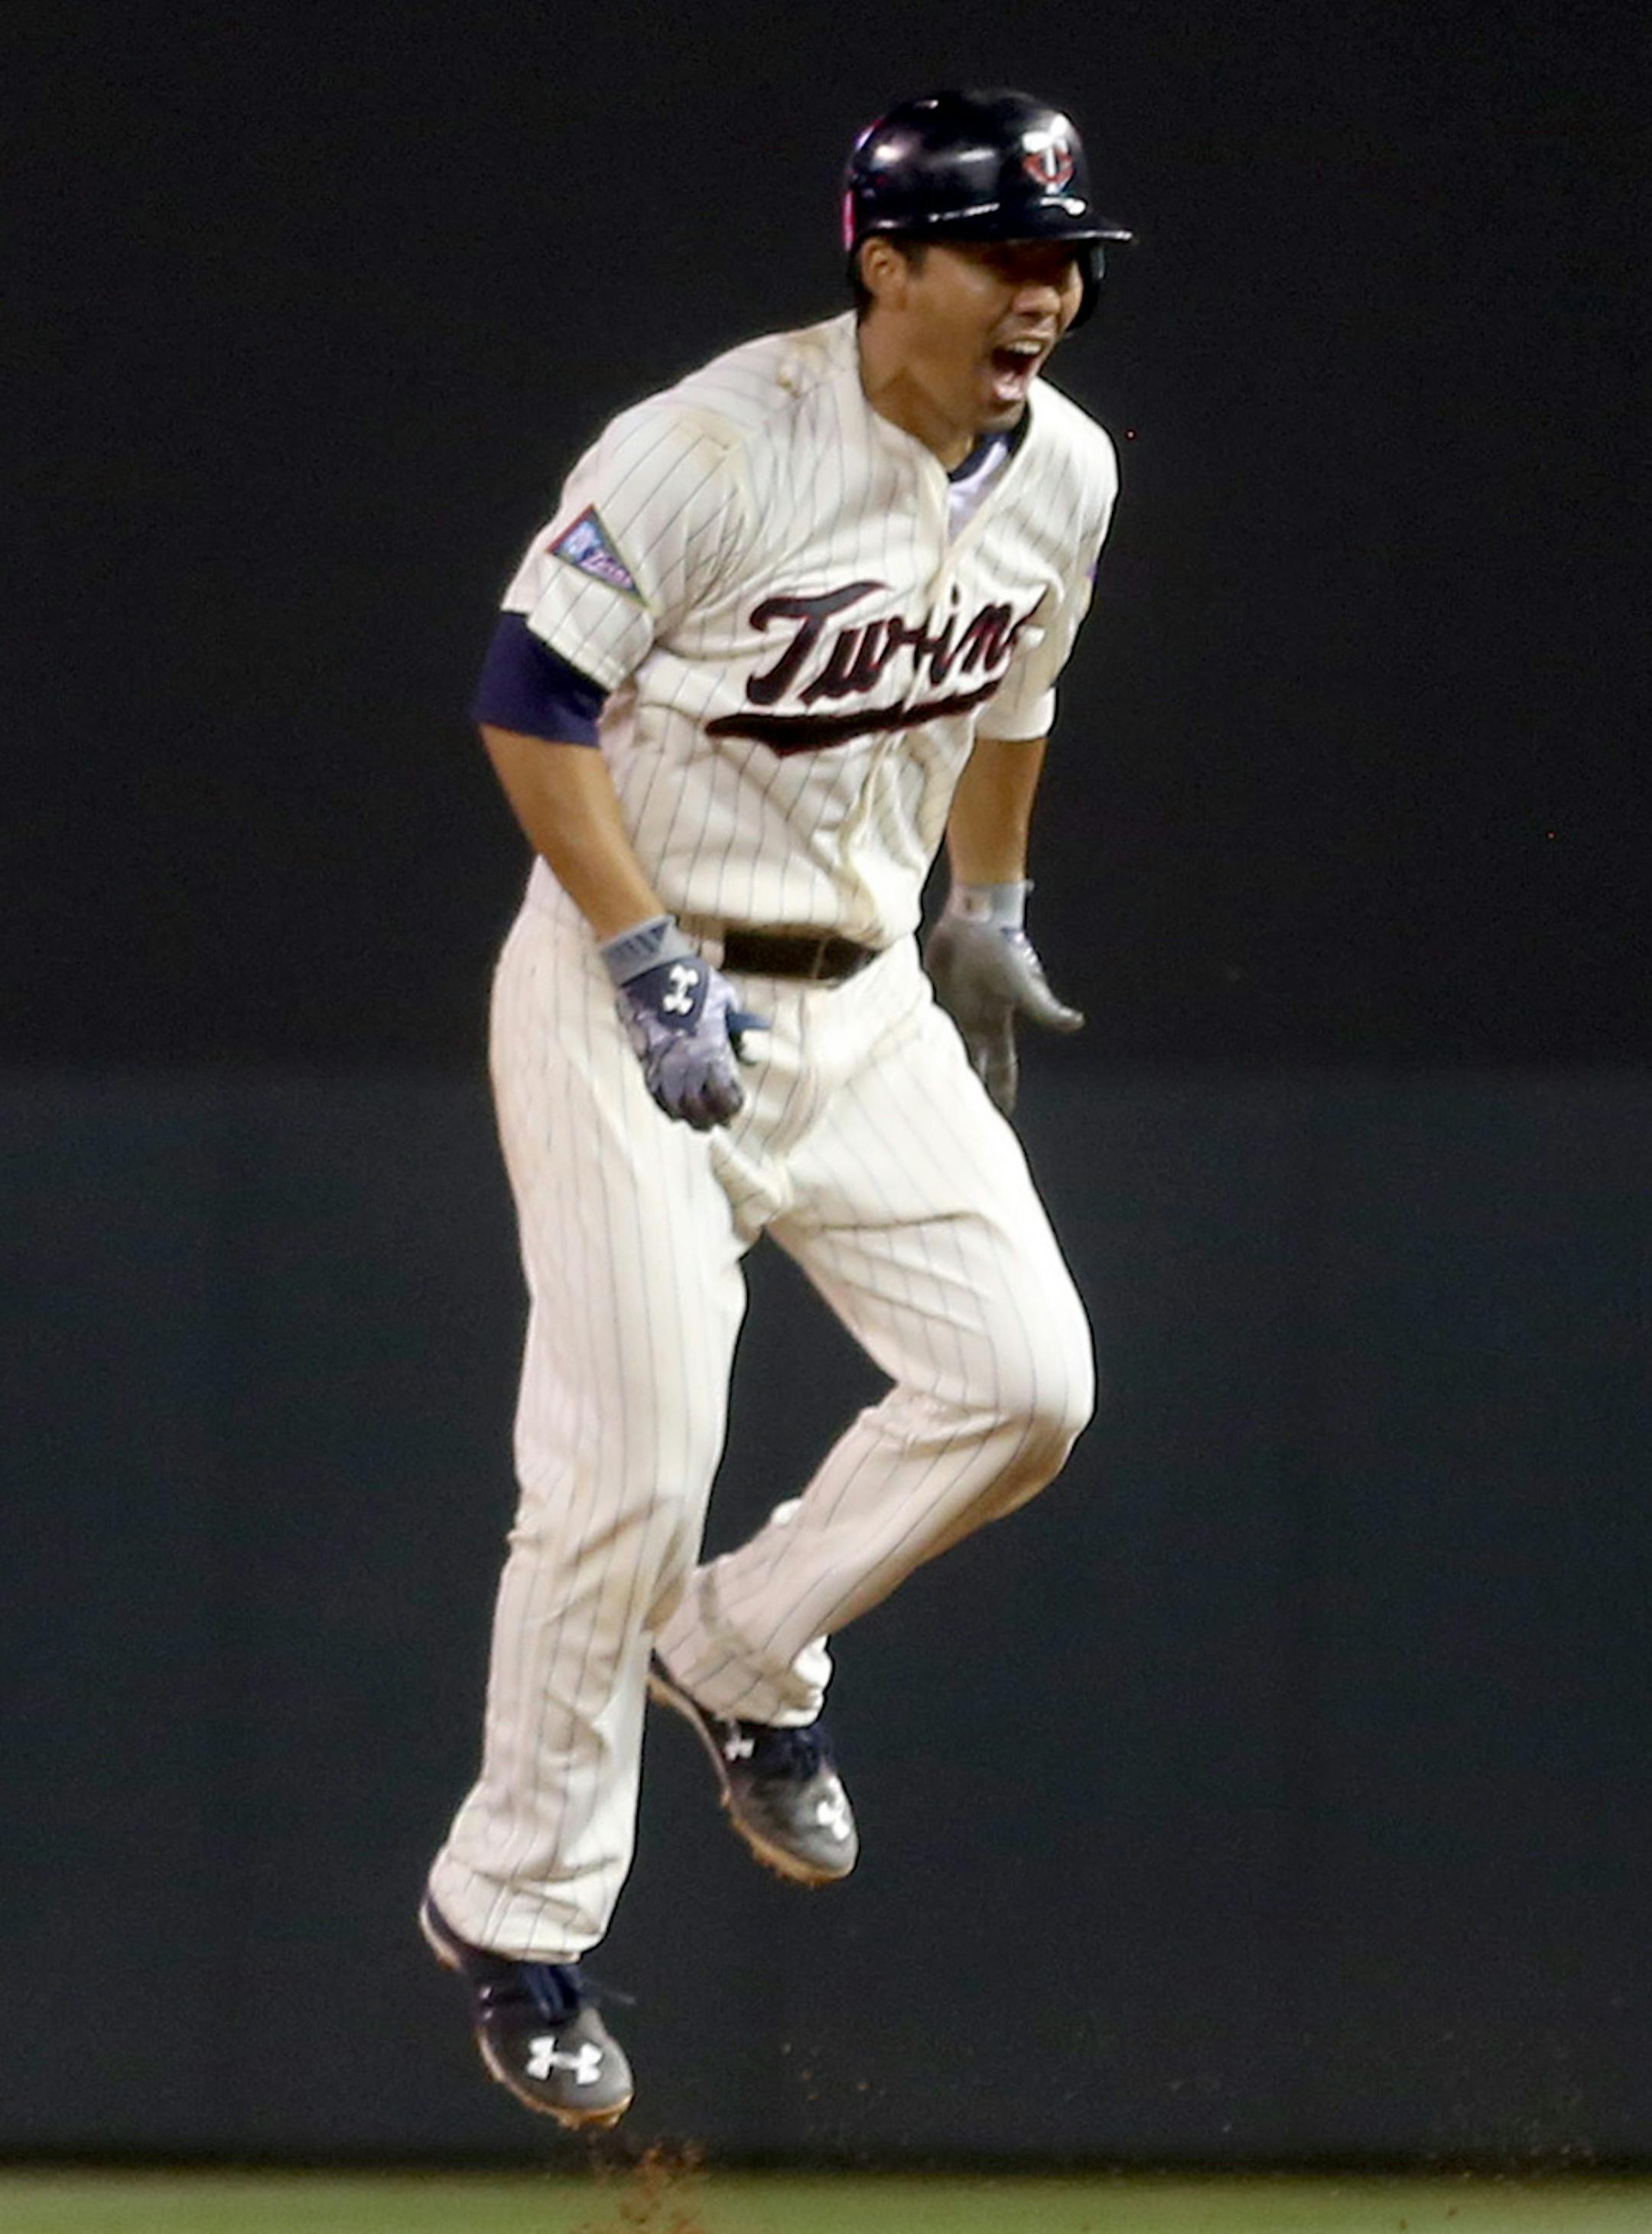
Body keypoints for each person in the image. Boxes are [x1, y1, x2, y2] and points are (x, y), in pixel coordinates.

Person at [421, 87, 1133, 2128]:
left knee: (1026, 1379)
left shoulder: (1066, 468)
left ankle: (741, 1652)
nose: (1046, 288)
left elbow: (1016, 694)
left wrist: (988, 900)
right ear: (881, 259)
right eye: (1002, 249)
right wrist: (642, 950)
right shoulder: (715, 441)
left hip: (867, 995)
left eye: (1064, 253)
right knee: (625, 1467)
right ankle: (516, 1916)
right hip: (622, 981)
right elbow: (528, 695)